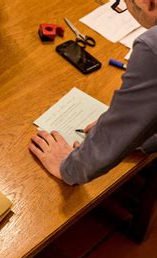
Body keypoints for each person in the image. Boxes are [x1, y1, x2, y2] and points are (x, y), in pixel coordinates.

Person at [29, 0, 157, 185]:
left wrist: (68, 167)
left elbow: (120, 129)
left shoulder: (151, 47)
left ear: (145, 2)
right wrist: (140, 132)